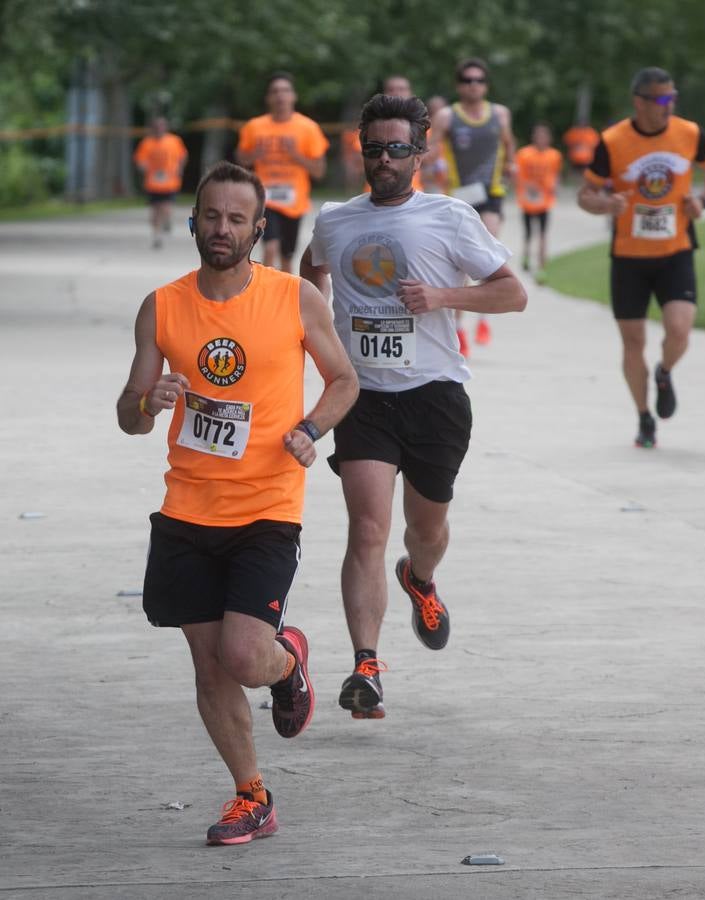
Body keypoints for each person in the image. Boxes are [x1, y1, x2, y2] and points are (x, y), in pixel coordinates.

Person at [116, 161, 358, 845]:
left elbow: (344, 379)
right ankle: (251, 794)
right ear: (194, 221)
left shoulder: (293, 297)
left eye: (235, 219)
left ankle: (286, 663)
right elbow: (128, 416)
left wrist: (311, 429)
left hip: (266, 505)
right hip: (187, 509)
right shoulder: (161, 306)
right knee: (208, 664)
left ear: (258, 227)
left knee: (244, 655)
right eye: (211, 216)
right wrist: (147, 401)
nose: (221, 229)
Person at [299, 94, 527, 720]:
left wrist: (442, 295)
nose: (385, 159)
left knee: (424, 532)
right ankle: (365, 666)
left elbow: (513, 294)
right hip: (363, 399)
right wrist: (319, 340)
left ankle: (419, 578)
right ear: (362, 151)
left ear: (421, 152)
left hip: (434, 398)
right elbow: (310, 272)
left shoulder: (450, 217)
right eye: (374, 148)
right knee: (366, 529)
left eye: (398, 148)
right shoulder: (335, 220)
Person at [578, 67, 705, 448]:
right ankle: (644, 418)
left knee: (679, 330)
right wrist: (605, 204)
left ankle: (664, 371)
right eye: (662, 99)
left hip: (675, 250)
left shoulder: (689, 133)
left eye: (672, 97)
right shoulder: (612, 141)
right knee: (633, 342)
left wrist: (703, 199)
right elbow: (585, 194)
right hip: (628, 256)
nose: (668, 105)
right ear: (640, 102)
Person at [428, 57, 517, 356]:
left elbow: (508, 143)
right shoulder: (446, 116)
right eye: (467, 80)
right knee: (461, 262)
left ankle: (483, 319)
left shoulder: (500, 114)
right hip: (459, 195)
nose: (473, 85)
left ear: (486, 84)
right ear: (458, 84)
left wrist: (513, 164)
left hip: (490, 191)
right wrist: (423, 163)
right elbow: (431, 148)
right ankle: (458, 328)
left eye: (478, 80)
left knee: (488, 248)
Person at [236, 72, 329, 272]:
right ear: (268, 98)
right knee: (270, 247)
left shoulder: (308, 128)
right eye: (275, 91)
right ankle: (268, 291)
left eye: (285, 91)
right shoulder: (254, 127)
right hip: (264, 199)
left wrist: (296, 155)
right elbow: (240, 161)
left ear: (293, 96)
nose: (280, 96)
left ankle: (285, 294)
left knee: (287, 257)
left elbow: (319, 172)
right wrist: (254, 155)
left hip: (294, 203)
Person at [514, 123, 563, 279]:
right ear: (534, 137)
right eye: (538, 136)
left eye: (544, 136)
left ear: (549, 138)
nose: (541, 139)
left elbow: (555, 174)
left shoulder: (554, 155)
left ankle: (542, 266)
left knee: (543, 233)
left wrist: (555, 185)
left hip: (545, 201)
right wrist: (528, 186)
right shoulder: (524, 154)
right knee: (528, 233)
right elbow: (518, 175)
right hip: (527, 200)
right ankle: (526, 257)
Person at [133, 116, 188, 249]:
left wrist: (180, 168)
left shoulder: (174, 141)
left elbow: (182, 156)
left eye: (161, 126)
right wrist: (143, 167)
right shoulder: (147, 143)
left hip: (170, 181)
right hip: (153, 182)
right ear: (153, 128)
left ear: (165, 127)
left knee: (166, 208)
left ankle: (167, 221)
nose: (159, 129)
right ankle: (157, 235)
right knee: (155, 211)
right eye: (156, 127)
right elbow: (140, 159)